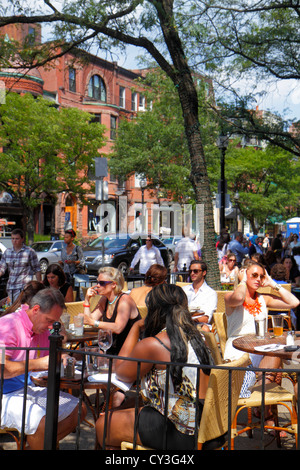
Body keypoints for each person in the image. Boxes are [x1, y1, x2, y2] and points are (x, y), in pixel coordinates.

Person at [95, 283, 223, 450]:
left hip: (180, 432)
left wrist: (135, 327)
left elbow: (121, 371)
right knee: (126, 406)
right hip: (210, 427)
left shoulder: (155, 344)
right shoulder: (197, 337)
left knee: (102, 425)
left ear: (154, 311)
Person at [0, 288, 86, 449]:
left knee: (78, 409)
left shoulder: (43, 329)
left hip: (26, 389)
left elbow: (58, 350)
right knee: (42, 423)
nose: (50, 326)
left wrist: (65, 358)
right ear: (36, 310)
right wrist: (39, 364)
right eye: (48, 320)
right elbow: (2, 369)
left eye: (53, 322)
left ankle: (36, 446)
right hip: (4, 394)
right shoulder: (7, 324)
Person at [224, 260, 299, 427]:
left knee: (275, 355)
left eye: (261, 276)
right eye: (254, 275)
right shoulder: (231, 297)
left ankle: (262, 403)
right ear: (244, 276)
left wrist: (272, 283)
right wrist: (242, 280)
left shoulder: (264, 298)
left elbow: (294, 303)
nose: (258, 279)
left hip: (260, 348)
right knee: (275, 367)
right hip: (238, 350)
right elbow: (238, 297)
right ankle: (267, 415)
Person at [83, 267, 141, 355]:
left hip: (128, 351)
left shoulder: (124, 300)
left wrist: (93, 322)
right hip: (110, 348)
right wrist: (87, 300)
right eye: (97, 282)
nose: (97, 285)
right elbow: (89, 319)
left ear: (114, 284)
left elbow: (118, 328)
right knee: (77, 354)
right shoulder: (104, 299)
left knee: (90, 358)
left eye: (102, 283)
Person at [0, 229, 41, 303]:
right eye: (12, 238)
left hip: (24, 287)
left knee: (21, 309)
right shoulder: (7, 252)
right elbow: (1, 268)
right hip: (11, 287)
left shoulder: (29, 252)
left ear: (22, 239)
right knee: (12, 310)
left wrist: (39, 284)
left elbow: (37, 269)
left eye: (17, 238)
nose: (14, 241)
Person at [182, 260, 217, 331]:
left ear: (204, 273)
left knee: (204, 329)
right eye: (190, 271)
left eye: (196, 271)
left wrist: (189, 321)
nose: (192, 273)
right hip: (182, 323)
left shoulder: (211, 293)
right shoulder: (183, 290)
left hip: (199, 325)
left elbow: (206, 318)